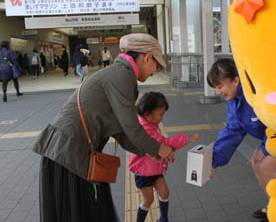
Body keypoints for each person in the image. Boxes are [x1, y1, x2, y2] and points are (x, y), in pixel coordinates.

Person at [33, 33, 175, 222]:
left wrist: (149, 152)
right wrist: (158, 148)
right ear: (147, 57)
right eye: (156, 65)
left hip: (72, 154)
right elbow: (131, 126)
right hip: (69, 155)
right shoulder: (121, 75)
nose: (154, 71)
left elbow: (121, 132)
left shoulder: (120, 74)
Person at [207, 58, 276, 222]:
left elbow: (275, 121)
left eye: (220, 86)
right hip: (271, 140)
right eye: (215, 88)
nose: (217, 92)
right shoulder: (233, 100)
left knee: (266, 165)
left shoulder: (256, 93)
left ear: (235, 80)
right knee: (256, 162)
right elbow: (232, 131)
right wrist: (211, 160)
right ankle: (274, 205)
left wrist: (266, 147)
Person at [128, 92, 201, 222]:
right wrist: (187, 138)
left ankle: (163, 219)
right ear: (147, 115)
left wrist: (164, 165)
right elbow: (164, 144)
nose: (162, 118)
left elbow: (162, 150)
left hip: (155, 170)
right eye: (160, 114)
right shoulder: (145, 129)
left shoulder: (151, 124)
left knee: (165, 193)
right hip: (143, 172)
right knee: (148, 200)